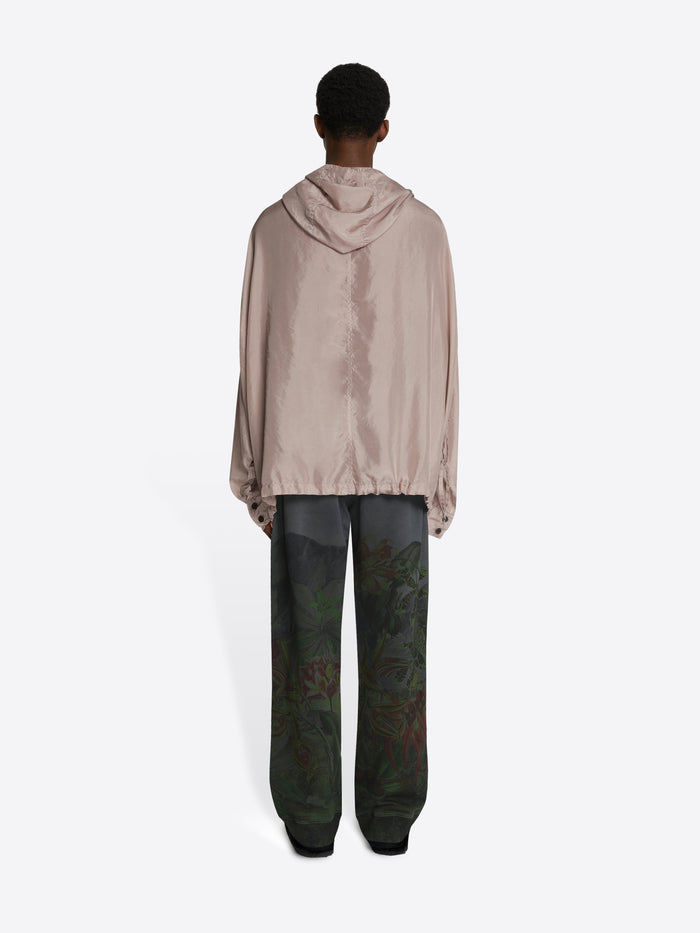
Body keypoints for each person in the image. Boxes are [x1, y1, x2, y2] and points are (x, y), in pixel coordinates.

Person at [229, 62, 459, 857]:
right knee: (399, 649)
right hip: (400, 462)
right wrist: (440, 472)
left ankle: (309, 821)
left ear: (318, 125)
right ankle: (390, 820)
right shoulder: (424, 231)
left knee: (305, 651)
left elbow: (254, 355)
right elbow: (444, 361)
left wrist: (256, 471)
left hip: (301, 467)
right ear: (385, 129)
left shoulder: (274, 229)